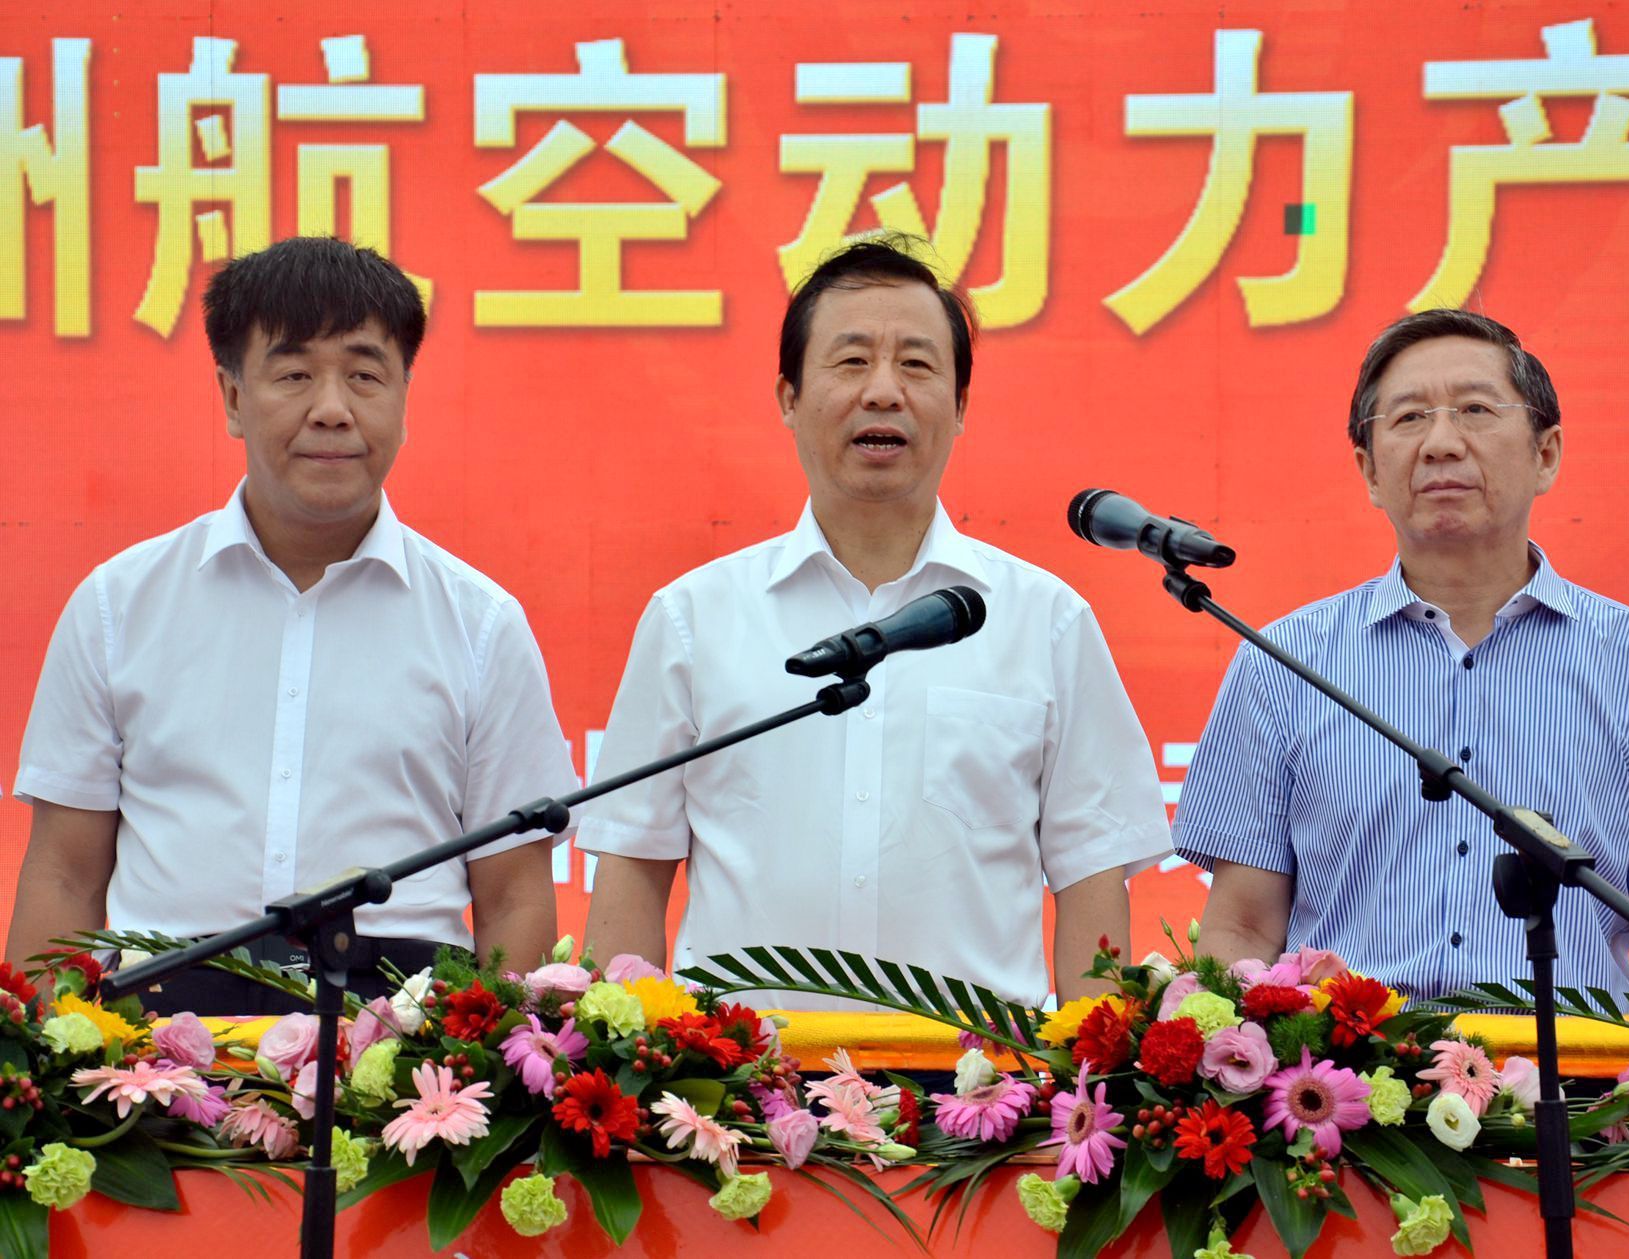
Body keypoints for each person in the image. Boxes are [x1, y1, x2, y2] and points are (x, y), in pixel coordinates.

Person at [579, 236, 1169, 1009]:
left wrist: (1084, 1099)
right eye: (852, 361)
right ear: (788, 396)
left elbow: (1092, 875)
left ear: (959, 408)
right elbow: (633, 863)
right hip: (735, 1096)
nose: (884, 391)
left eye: (917, 365)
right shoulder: (695, 617)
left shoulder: (1046, 621)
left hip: (982, 1100)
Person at [7, 237, 576, 1014]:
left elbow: (513, 895)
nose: (333, 408)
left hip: (402, 1041)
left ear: (404, 397)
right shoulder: (119, 605)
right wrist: (39, 1073)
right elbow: (64, 874)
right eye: (296, 373)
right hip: (158, 1035)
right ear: (234, 397)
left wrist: (501, 1068)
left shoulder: (481, 625)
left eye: (365, 375)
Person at [1174, 309, 1629, 1008]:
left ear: (1546, 453)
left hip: (1574, 1089)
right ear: (1368, 470)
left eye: (1476, 410)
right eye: (1408, 419)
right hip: (1345, 1089)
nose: (1441, 443)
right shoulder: (1283, 665)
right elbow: (1243, 925)